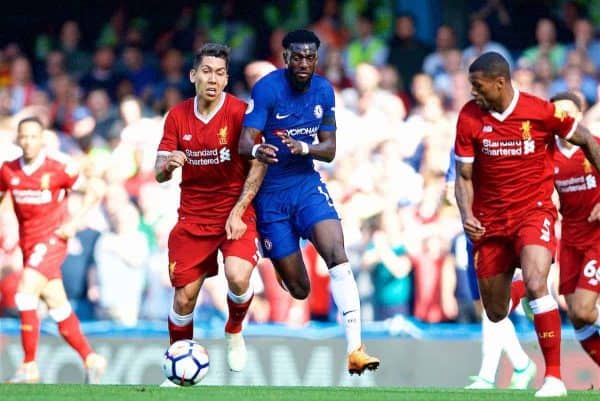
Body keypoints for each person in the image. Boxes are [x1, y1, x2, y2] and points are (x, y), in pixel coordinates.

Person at [454, 52, 600, 397]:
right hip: (489, 222)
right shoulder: (469, 117)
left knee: (537, 282)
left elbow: (588, 140)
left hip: (534, 213)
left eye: (477, 86)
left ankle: (554, 379)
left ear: (499, 82)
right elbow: (463, 176)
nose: (473, 92)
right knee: (495, 309)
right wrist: (467, 215)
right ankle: (523, 362)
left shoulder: (541, 111)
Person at [237, 29, 380, 375]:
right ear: (285, 57)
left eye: (310, 57)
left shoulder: (323, 90)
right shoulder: (268, 89)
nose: (304, 63)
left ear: (317, 58)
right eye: (297, 57)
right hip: (269, 195)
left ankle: (355, 349)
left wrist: (306, 148)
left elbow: (328, 149)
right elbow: (244, 143)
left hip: (305, 184)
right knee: (300, 289)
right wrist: (259, 149)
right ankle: (282, 259)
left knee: (336, 250)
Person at [155, 43, 263, 376]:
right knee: (185, 299)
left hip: (235, 209)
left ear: (227, 79)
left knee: (237, 275)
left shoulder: (241, 113)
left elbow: (259, 163)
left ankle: (233, 328)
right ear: (193, 76)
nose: (212, 79)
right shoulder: (177, 115)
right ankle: (178, 367)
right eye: (206, 71)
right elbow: (158, 169)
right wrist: (169, 166)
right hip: (192, 216)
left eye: (219, 73)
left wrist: (239, 209)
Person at [1, 116, 106, 383]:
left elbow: (94, 189)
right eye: (23, 136)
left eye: (33, 136)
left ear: (42, 139)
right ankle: (91, 358)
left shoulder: (58, 169)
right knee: (57, 305)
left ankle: (29, 365)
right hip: (28, 243)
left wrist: (74, 222)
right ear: (18, 139)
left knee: (25, 293)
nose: (27, 141)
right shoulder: (8, 170)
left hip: (53, 239)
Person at [446, 151, 535, 390]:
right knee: (483, 308)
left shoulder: (502, 146)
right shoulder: (459, 150)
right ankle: (522, 363)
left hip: (498, 233)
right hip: (471, 236)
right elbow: (450, 188)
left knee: (492, 307)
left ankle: (487, 375)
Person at [551, 92, 600, 367]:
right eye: (557, 113)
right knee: (576, 315)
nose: (563, 118)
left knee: (584, 307)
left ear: (580, 116)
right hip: (570, 239)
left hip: (597, 238)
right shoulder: (546, 156)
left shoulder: (593, 146)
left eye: (568, 112)